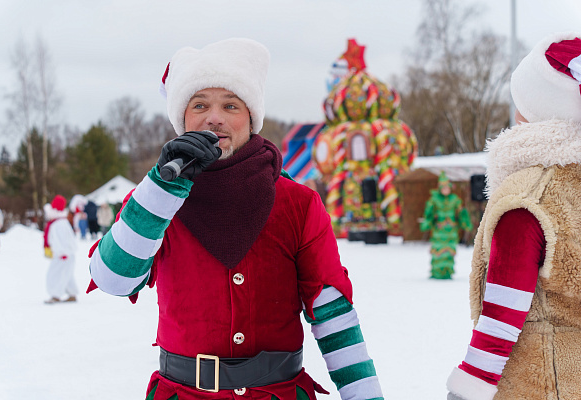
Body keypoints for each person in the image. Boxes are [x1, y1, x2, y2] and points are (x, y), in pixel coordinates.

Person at [88, 38, 384, 400]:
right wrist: (162, 190)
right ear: (183, 119)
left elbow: (333, 313)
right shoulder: (153, 197)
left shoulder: (298, 203)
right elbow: (113, 280)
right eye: (200, 105)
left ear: (251, 119)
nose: (215, 117)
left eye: (231, 105)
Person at [446, 32, 581, 400]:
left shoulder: (529, 195)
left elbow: (501, 318)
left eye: (520, 100)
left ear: (539, 109)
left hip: (540, 384)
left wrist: (467, 390)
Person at [419, 171, 472, 279]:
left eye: (447, 188)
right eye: (443, 188)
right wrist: (428, 219)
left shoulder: (455, 199)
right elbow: (429, 214)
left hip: (451, 231)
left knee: (449, 251)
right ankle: (437, 272)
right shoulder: (434, 199)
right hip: (439, 231)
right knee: (438, 250)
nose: (445, 190)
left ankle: (448, 271)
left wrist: (465, 221)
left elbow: (461, 213)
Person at [44, 195, 78, 304]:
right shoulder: (59, 222)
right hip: (64, 254)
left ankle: (55, 295)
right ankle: (72, 294)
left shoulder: (59, 224)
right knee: (66, 274)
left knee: (56, 274)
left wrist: (63, 252)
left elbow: (63, 240)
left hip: (63, 255)